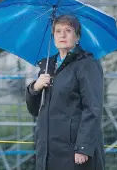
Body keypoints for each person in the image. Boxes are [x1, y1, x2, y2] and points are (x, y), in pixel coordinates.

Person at [25, 14, 105, 170]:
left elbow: (93, 108)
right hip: (48, 151)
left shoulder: (87, 64)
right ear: (53, 36)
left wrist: (83, 147)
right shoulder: (47, 65)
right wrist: (35, 87)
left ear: (77, 36)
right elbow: (34, 110)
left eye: (68, 30)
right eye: (58, 31)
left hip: (73, 152)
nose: (62, 35)